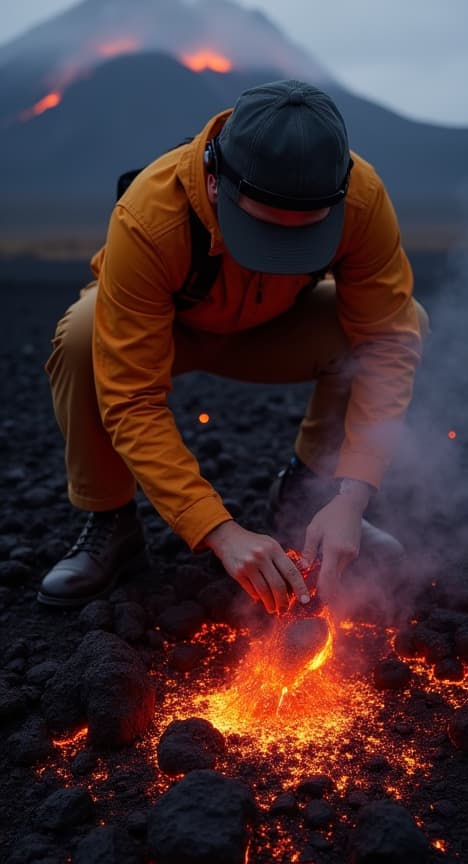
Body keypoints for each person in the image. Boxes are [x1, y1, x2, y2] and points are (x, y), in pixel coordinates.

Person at [38, 79, 428, 615]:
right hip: (172, 335)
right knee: (83, 337)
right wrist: (219, 531)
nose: (281, 252)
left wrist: (352, 494)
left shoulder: (362, 198)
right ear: (217, 181)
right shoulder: (150, 214)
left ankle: (311, 493)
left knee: (406, 322)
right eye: (266, 233)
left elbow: (386, 341)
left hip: (276, 330)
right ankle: (112, 522)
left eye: (304, 237)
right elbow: (131, 399)